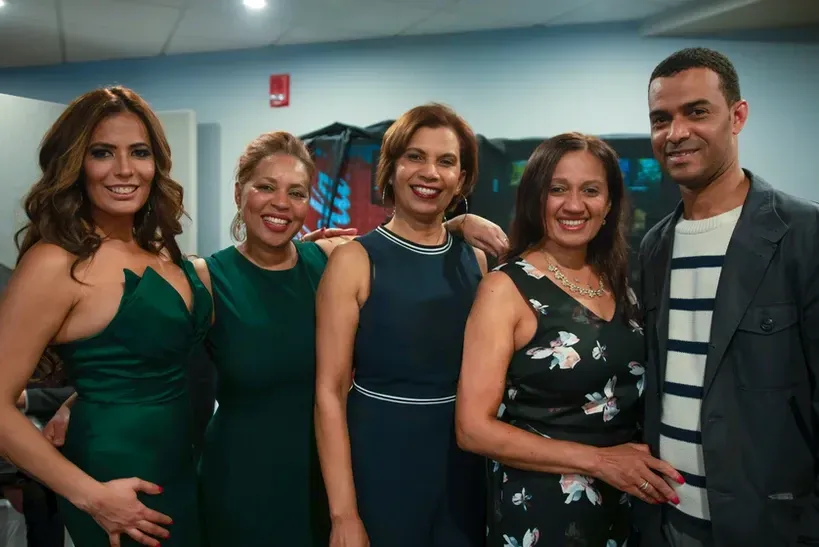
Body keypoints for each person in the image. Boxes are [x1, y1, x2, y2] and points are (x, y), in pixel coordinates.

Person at [192, 129, 508, 547]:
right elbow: (153, 362)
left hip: (332, 473)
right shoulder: (207, 277)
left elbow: (405, 247)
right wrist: (77, 398)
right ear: (239, 193)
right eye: (265, 187)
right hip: (244, 479)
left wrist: (458, 222)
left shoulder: (328, 257)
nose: (281, 204)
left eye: (297, 193)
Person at [0, 86, 211, 547]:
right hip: (121, 491)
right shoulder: (55, 263)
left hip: (188, 469)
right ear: (76, 165)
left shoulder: (163, 254)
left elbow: (151, 359)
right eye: (102, 153)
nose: (124, 169)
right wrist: (93, 497)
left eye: (139, 152)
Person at [454, 132, 684, 547]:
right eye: (557, 189)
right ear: (534, 198)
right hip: (544, 514)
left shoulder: (622, 281)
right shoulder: (505, 289)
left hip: (626, 506)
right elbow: (473, 429)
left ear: (609, 203)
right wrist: (598, 461)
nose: (574, 205)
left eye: (590, 190)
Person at [634, 47, 819, 547]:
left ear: (737, 116)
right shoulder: (654, 247)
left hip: (771, 526)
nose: (675, 133)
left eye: (696, 112)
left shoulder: (804, 235)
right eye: (660, 119)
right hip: (668, 519)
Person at [315, 103, 492, 547]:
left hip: (462, 467)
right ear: (391, 168)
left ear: (463, 178)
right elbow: (329, 395)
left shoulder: (477, 260)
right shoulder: (353, 261)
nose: (429, 172)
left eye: (446, 160)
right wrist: (343, 516)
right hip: (380, 464)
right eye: (415, 156)